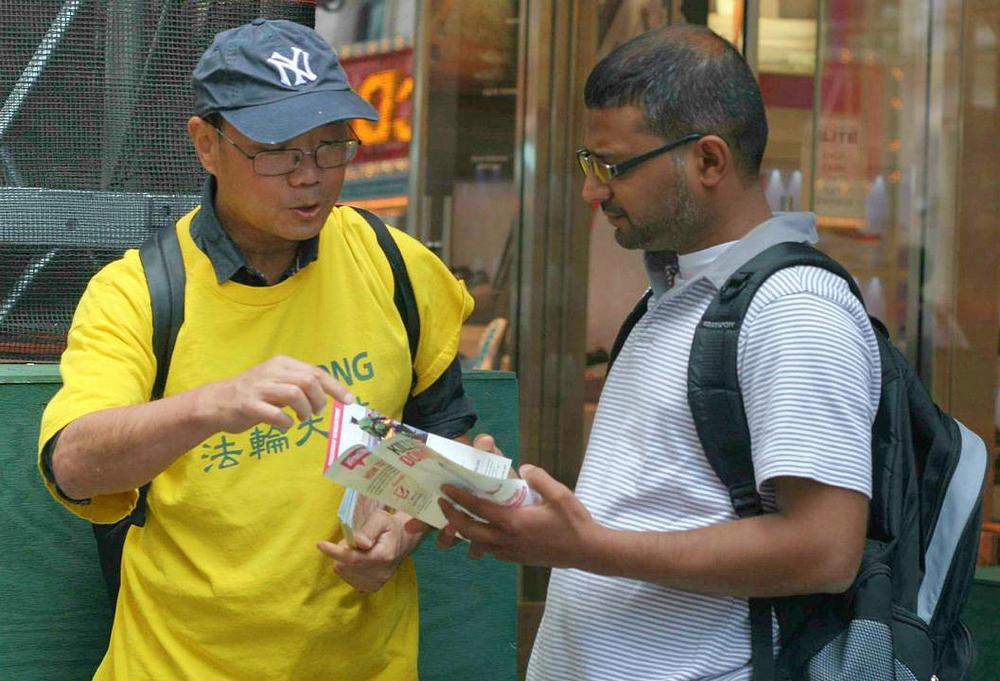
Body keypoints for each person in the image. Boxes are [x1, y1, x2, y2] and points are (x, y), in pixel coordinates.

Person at [433, 25, 880, 681]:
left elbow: (824, 549)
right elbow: (661, 507)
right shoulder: (675, 297)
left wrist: (588, 547)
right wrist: (523, 508)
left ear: (708, 161)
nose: (592, 191)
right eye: (588, 165)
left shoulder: (794, 310)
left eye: (612, 167)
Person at [38, 19, 476, 681]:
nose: (311, 178)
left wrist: (403, 521)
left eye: (331, 147)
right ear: (206, 144)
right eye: (279, 151)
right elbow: (73, 463)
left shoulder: (393, 263)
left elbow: (441, 426)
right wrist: (212, 404)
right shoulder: (139, 292)